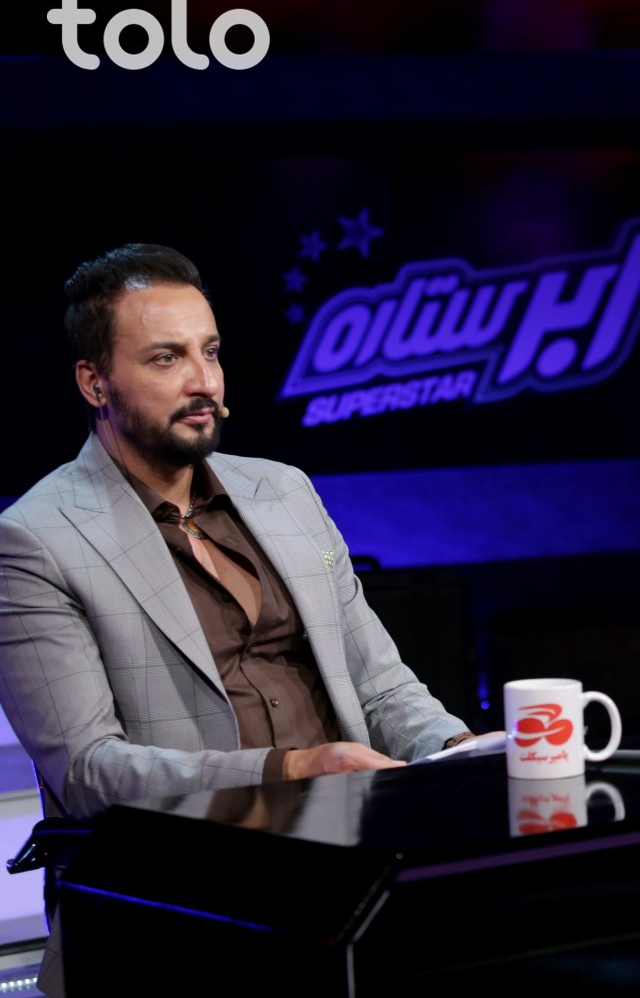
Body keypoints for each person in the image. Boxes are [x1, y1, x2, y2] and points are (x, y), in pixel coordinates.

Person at [0, 244, 476, 826]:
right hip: (188, 855)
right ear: (95, 383)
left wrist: (459, 750)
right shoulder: (35, 541)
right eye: (166, 359)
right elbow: (88, 771)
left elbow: (379, 687)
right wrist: (290, 771)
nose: (204, 382)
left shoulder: (285, 491)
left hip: (355, 832)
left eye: (211, 352)